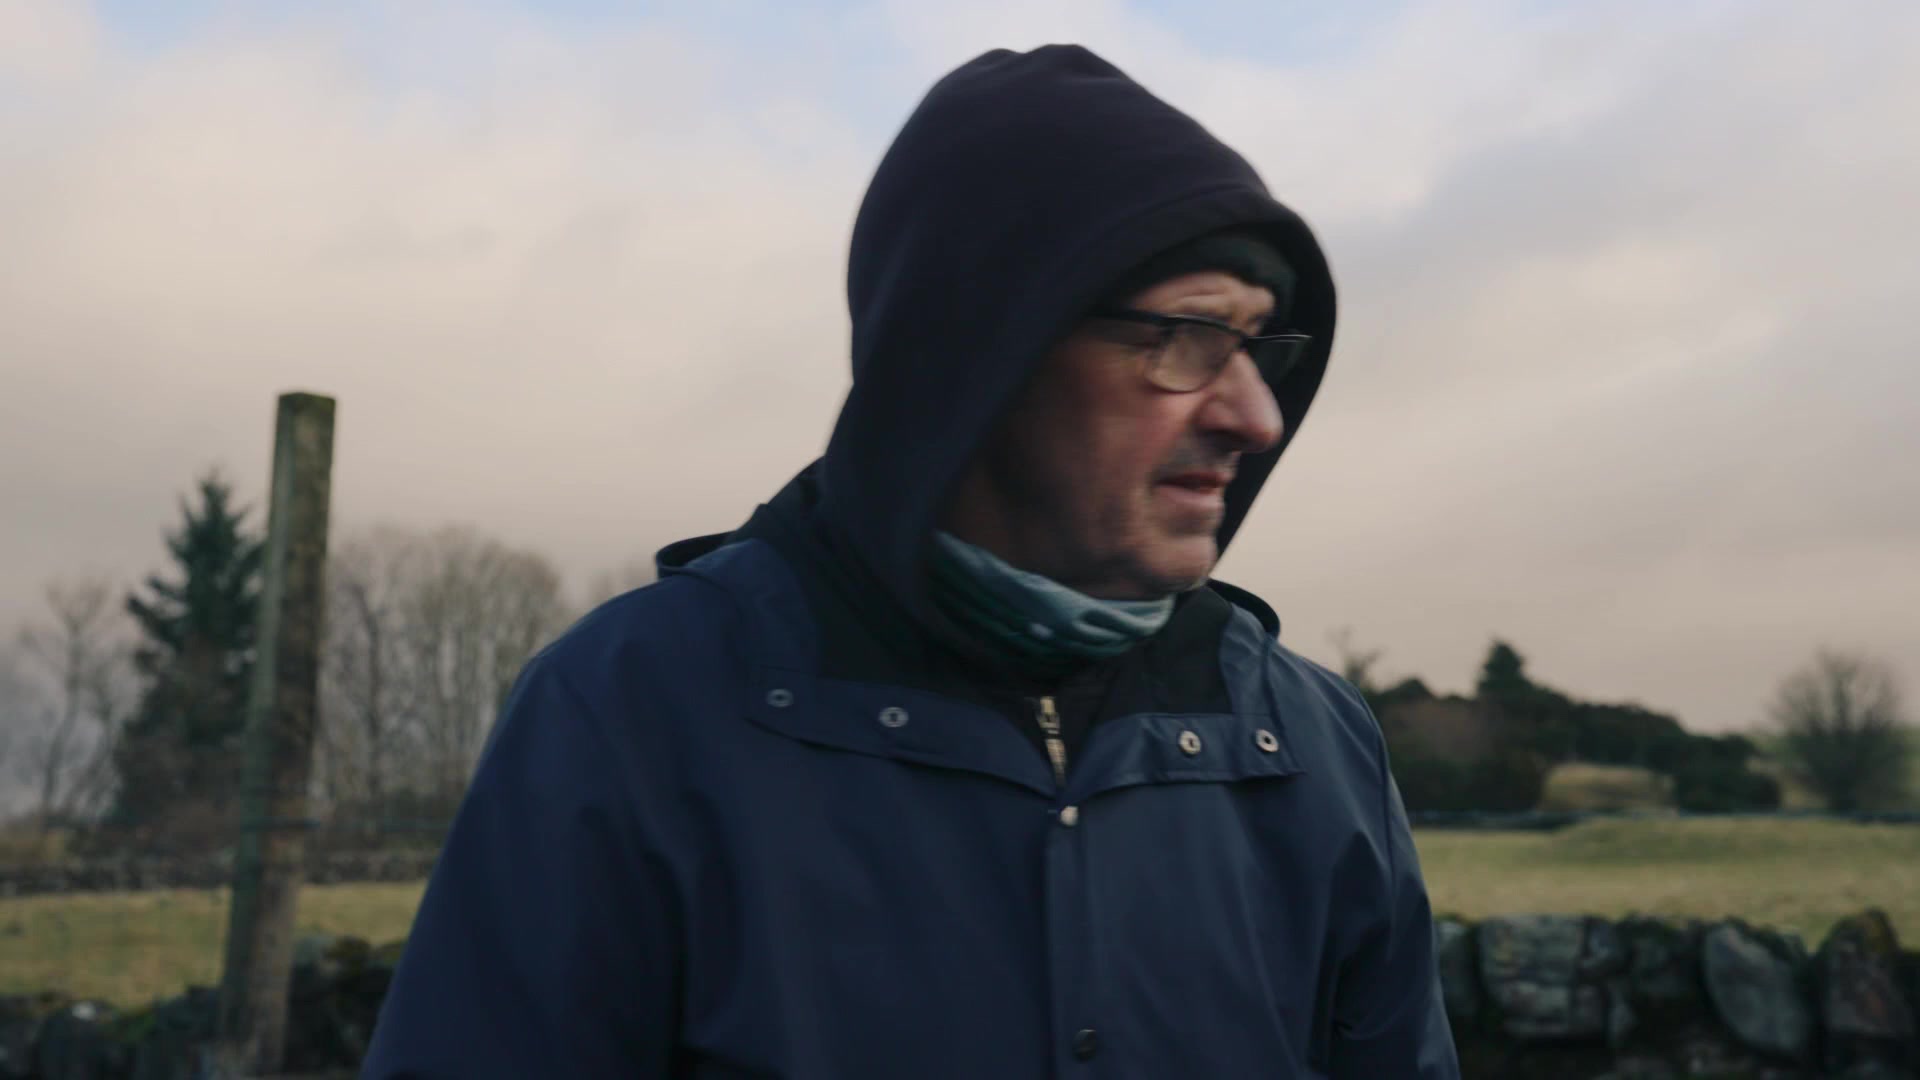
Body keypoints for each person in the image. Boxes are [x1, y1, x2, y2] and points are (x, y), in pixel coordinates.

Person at [363, 43, 1459, 1079]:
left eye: (1260, 346)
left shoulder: (1312, 748)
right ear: (984, 349)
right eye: (1189, 338)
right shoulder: (631, 713)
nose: (1256, 416)